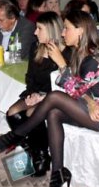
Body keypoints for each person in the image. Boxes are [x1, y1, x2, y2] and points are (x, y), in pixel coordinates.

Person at [0, 10, 99, 187]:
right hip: (88, 109)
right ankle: (57, 175)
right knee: (53, 112)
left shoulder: (93, 57)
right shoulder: (82, 53)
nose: (63, 33)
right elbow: (81, 90)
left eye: (66, 28)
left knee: (54, 97)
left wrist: (62, 64)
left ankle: (15, 135)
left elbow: (75, 90)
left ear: (80, 30)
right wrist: (89, 101)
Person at [5, 12, 70, 177]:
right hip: (36, 93)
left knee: (30, 112)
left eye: (39, 29)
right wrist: (32, 93)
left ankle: (40, 158)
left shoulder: (66, 52)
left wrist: (42, 97)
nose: (35, 32)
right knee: (12, 112)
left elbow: (64, 84)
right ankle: (36, 151)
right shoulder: (36, 47)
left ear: (51, 30)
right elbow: (30, 77)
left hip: (54, 97)